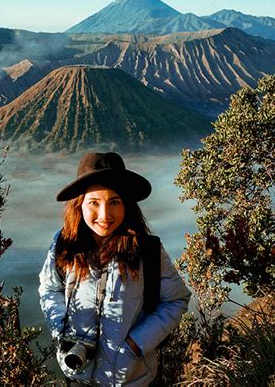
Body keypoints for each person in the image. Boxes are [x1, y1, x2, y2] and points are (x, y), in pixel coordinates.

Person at [39, 152, 191, 386]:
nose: (104, 215)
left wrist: (136, 344)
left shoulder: (146, 250)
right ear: (79, 204)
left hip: (133, 380)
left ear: (127, 205)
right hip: (77, 374)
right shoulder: (65, 244)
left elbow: (176, 300)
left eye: (115, 202)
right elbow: (50, 289)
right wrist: (61, 329)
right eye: (94, 203)